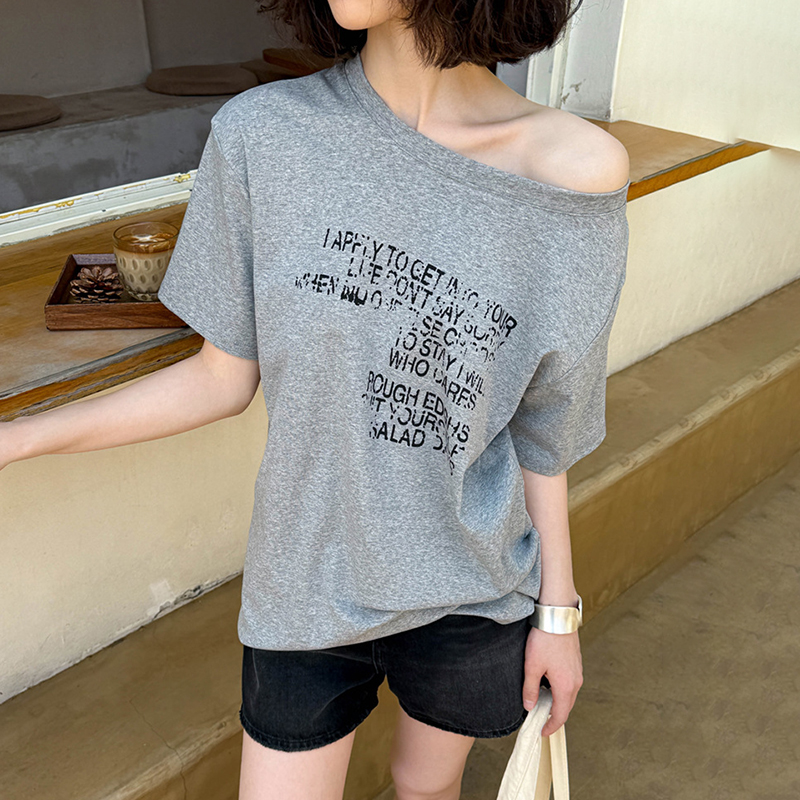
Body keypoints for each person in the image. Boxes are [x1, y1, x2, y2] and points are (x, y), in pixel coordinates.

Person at [0, 0, 631, 796]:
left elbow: (543, 428)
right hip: (303, 581)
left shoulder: (573, 172)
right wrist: (17, 438)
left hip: (473, 589)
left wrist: (558, 614)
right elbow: (219, 379)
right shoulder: (265, 136)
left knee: (427, 788)